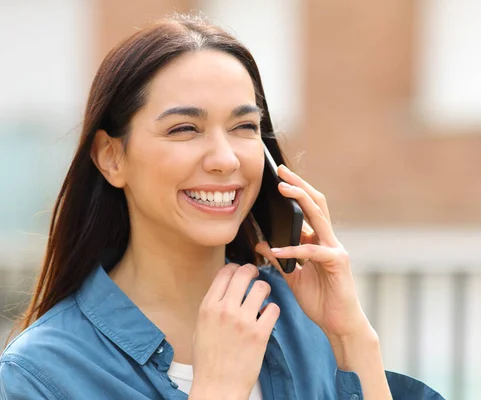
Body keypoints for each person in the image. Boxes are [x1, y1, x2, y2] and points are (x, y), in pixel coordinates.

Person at [0, 12, 444, 400]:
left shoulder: (305, 324)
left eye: (244, 126)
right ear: (112, 157)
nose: (225, 159)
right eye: (185, 129)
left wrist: (351, 336)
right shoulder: (40, 374)